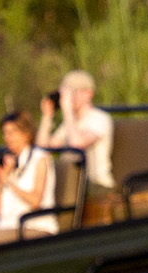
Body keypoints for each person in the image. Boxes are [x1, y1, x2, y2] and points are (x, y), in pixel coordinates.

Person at [37, 69, 114, 197]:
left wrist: (67, 110)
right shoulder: (69, 123)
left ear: (88, 94)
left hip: (96, 186)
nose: (69, 98)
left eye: (74, 92)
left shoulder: (100, 119)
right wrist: (47, 116)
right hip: (72, 185)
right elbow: (41, 150)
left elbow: (77, 144)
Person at [0, 111, 57, 238]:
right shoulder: (11, 163)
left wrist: (10, 182)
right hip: (7, 225)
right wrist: (2, 181)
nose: (7, 138)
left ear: (26, 134)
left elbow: (35, 201)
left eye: (11, 133)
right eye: (5, 133)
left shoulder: (40, 159)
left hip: (34, 225)